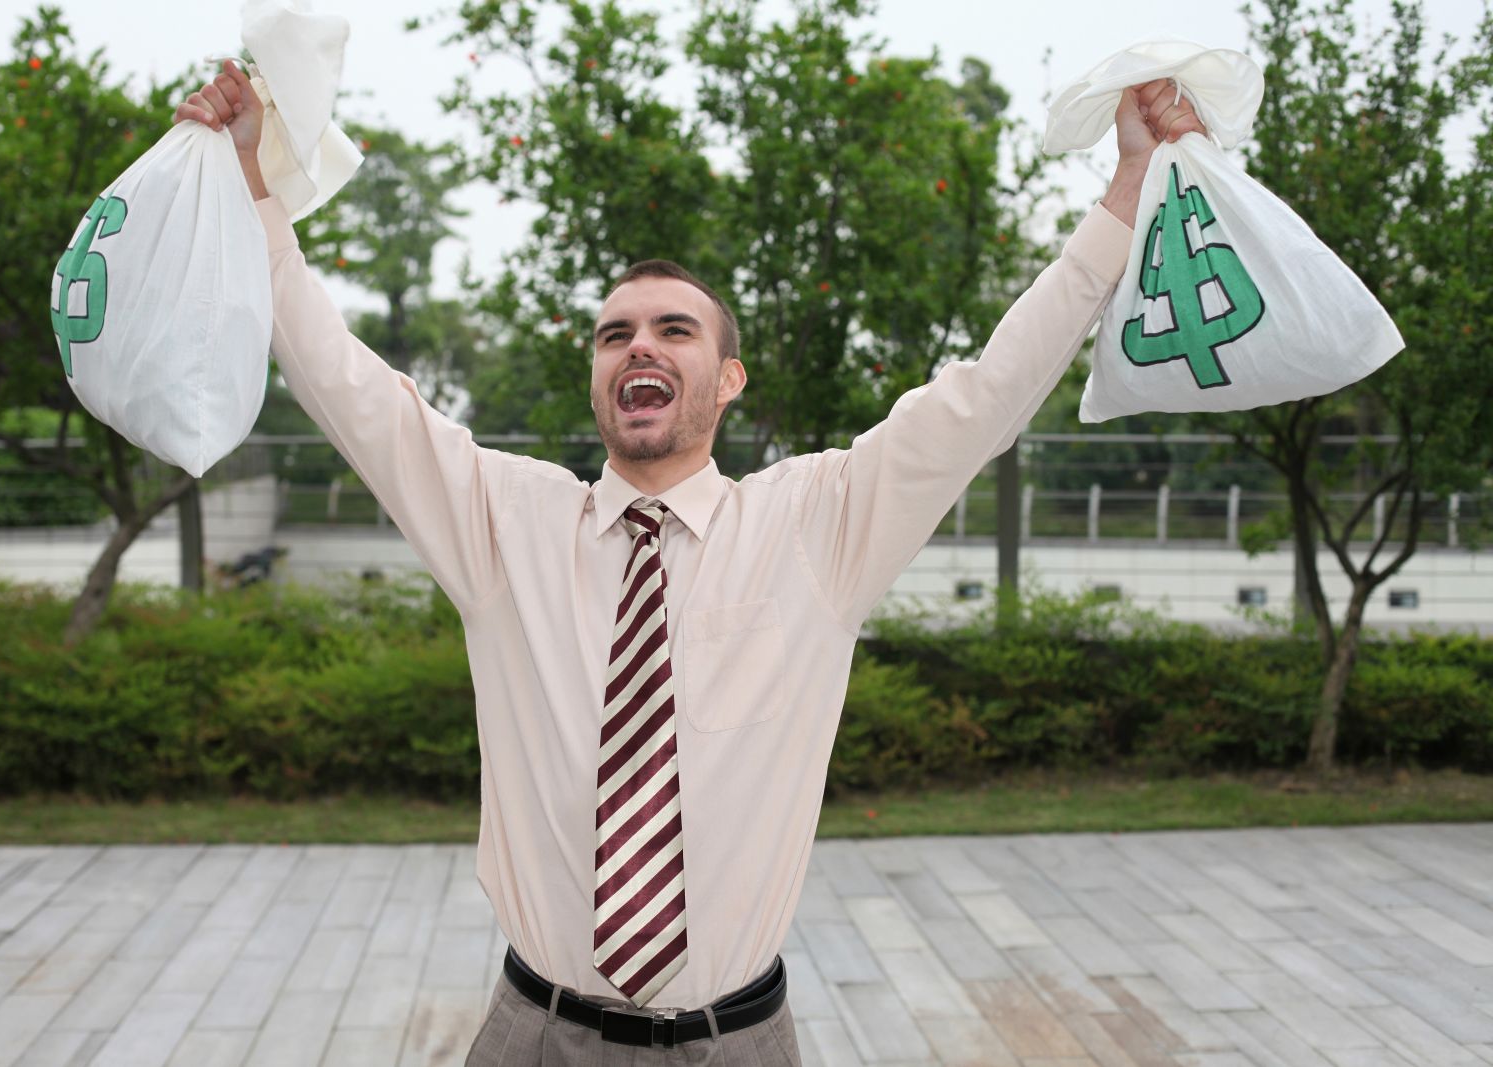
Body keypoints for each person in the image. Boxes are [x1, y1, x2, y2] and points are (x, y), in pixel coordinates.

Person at [174, 61, 1203, 1065]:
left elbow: (987, 391)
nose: (639, 348)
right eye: (614, 334)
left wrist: (1124, 187)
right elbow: (345, 384)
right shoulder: (503, 524)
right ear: (597, 377)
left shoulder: (820, 526)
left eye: (674, 329)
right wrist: (254, 184)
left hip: (737, 1040)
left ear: (728, 377)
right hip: (535, 1034)